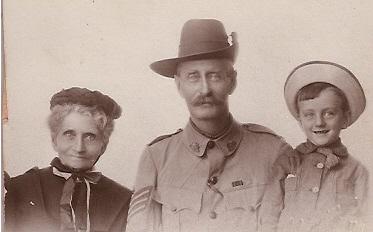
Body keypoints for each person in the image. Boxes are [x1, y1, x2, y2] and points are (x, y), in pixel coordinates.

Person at [126, 19, 292, 232]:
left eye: (214, 76)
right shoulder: (156, 157)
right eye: (193, 77)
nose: (204, 89)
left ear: (232, 81)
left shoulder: (273, 152)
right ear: (179, 85)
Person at [260, 61, 369, 232]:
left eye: (329, 113)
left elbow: (366, 220)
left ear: (345, 118)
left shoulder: (356, 171)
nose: (319, 122)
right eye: (309, 115)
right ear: (300, 121)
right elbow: (268, 216)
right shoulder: (287, 163)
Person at [5, 87, 132, 232]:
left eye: (90, 136)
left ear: (103, 145)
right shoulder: (20, 188)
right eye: (69, 134)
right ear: (54, 139)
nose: (79, 148)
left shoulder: (123, 200)